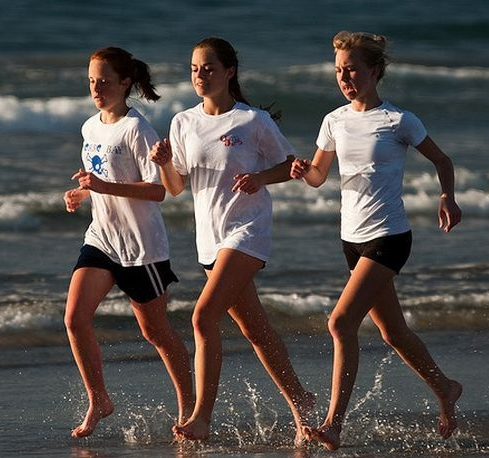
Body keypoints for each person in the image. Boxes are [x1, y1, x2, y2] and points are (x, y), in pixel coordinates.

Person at [290, 31, 463, 451]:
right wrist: (302, 171)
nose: (344, 78)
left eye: (351, 70)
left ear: (374, 71)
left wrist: (447, 196)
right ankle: (446, 388)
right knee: (393, 332)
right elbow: (318, 176)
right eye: (339, 71)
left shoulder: (398, 120)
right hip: (351, 238)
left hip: (389, 236)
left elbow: (441, 159)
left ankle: (333, 424)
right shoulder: (334, 121)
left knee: (340, 323)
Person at [149, 37, 315, 444]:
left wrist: (260, 178)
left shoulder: (252, 120)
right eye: (194, 69)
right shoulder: (183, 122)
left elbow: (289, 165)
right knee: (256, 331)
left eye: (208, 68)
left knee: (203, 317)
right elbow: (176, 187)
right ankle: (302, 403)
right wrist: (165, 164)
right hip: (210, 239)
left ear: (229, 72)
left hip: (247, 230)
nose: (200, 76)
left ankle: (201, 418)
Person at [63, 46, 193, 438]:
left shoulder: (137, 129)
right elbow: (100, 175)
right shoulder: (90, 127)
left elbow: (158, 191)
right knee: (75, 319)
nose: (96, 89)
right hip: (102, 238)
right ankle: (99, 399)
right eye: (91, 81)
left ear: (125, 83)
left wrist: (103, 186)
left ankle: (190, 409)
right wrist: (84, 192)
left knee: (155, 332)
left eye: (104, 81)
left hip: (141, 248)